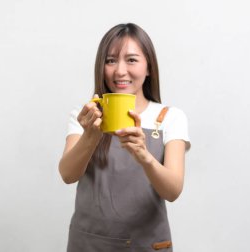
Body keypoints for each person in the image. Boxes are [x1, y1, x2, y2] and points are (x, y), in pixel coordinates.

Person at [58, 23, 191, 252]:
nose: (120, 71)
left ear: (149, 67)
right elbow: (68, 175)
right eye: (110, 60)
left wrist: (144, 156)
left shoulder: (170, 118)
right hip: (88, 245)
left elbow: (173, 191)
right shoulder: (84, 117)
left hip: (146, 245)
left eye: (131, 60)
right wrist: (91, 135)